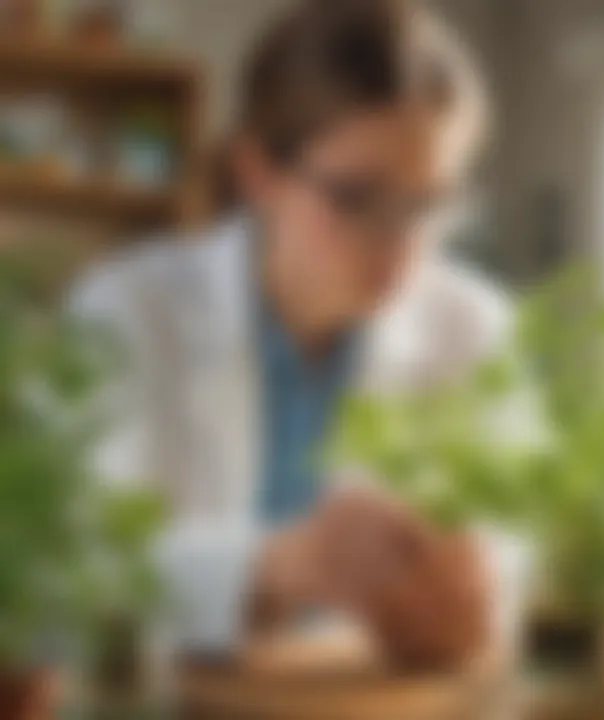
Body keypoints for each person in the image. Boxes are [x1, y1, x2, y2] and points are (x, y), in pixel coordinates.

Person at [72, 0, 512, 669]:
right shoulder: (129, 309)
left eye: (427, 205)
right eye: (359, 199)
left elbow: (519, 557)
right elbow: (73, 568)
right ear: (256, 171)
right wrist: (277, 567)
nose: (400, 247)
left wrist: (475, 594)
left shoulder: (471, 327)